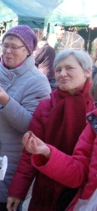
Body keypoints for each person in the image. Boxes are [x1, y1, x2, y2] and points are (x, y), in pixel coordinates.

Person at [0, 25, 51, 211]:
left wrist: (6, 102)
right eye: (5, 45)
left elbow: (32, 126)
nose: (7, 51)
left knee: (6, 205)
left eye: (14, 46)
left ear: (28, 50)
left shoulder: (37, 81)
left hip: (11, 163)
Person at [7, 50, 94, 211]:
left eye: (69, 68)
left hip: (82, 193)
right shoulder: (46, 106)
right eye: (59, 70)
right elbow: (29, 154)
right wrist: (17, 192)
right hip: (47, 190)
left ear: (87, 71)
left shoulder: (93, 109)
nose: (63, 74)